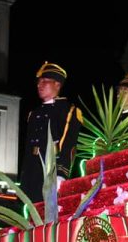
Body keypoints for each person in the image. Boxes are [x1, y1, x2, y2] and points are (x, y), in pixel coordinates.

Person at [19, 61, 83, 203]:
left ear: (57, 84)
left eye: (44, 81)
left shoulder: (68, 111)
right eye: (38, 82)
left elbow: (69, 144)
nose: (39, 85)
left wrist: (61, 174)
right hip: (32, 173)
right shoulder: (34, 114)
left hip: (50, 171)